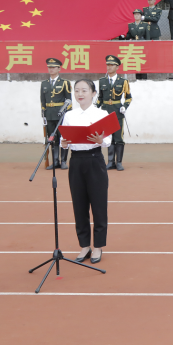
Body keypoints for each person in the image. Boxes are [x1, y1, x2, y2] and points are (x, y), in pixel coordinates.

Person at [60, 79, 112, 265]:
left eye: (84, 90)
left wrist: (100, 140)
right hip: (76, 162)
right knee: (79, 206)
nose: (80, 94)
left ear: (93, 93)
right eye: (77, 90)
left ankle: (98, 246)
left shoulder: (101, 114)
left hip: (95, 160)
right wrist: (64, 143)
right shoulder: (69, 115)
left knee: (98, 205)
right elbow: (64, 140)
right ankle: (84, 245)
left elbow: (108, 141)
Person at [95, 55, 131, 171]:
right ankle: (110, 162)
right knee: (108, 137)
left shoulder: (123, 81)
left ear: (117, 67)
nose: (109, 67)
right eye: (108, 65)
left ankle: (119, 162)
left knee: (118, 138)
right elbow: (100, 98)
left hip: (117, 112)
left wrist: (124, 106)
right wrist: (95, 107)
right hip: (105, 112)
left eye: (111, 65)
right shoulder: (102, 81)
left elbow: (128, 97)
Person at [41, 57, 73, 170]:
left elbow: (69, 100)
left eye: (54, 67)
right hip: (49, 115)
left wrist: (67, 115)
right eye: (49, 67)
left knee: (63, 138)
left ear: (59, 69)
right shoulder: (44, 83)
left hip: (61, 115)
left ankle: (63, 161)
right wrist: (44, 115)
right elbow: (43, 101)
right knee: (52, 138)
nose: (51, 69)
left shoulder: (65, 83)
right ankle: (55, 162)